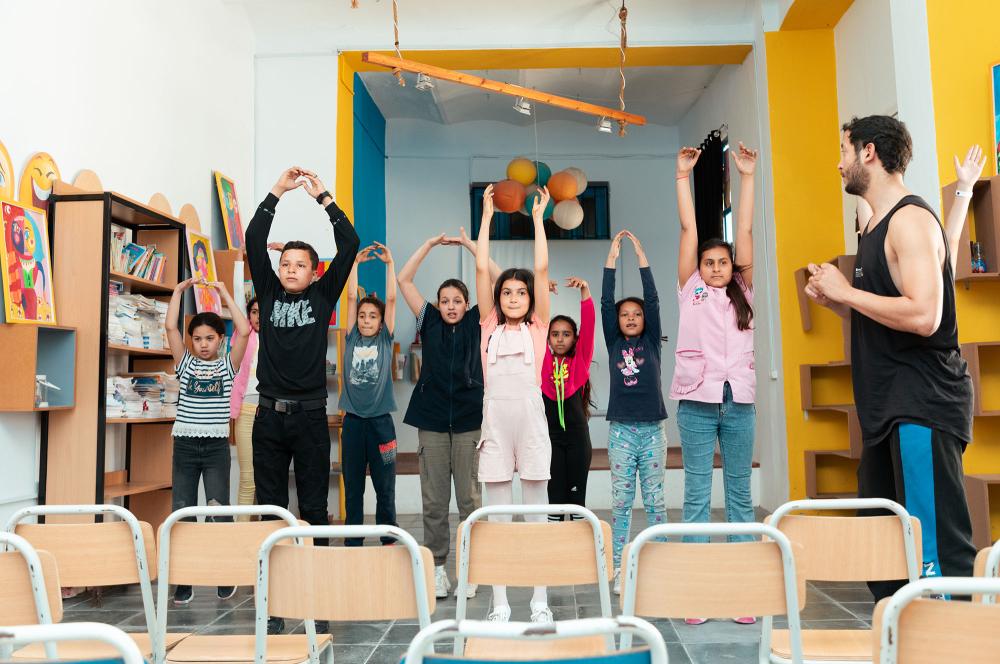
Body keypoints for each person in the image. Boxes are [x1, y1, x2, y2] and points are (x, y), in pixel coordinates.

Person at [805, 115, 977, 602]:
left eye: (844, 150)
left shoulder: (910, 220)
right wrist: (837, 300)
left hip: (921, 403)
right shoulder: (874, 225)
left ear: (868, 153)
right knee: (884, 557)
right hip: (884, 409)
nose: (838, 163)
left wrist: (848, 294)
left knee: (932, 556)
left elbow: (924, 315)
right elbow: (884, 316)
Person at [245, 167, 360, 633]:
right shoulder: (269, 292)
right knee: (271, 510)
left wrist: (323, 199)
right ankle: (274, 604)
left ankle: (318, 597)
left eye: (300, 265)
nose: (291, 270)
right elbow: (255, 237)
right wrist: (277, 192)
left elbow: (349, 244)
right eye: (286, 264)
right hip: (268, 418)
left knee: (314, 509)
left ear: (315, 272)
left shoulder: (323, 295)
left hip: (312, 418)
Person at [671, 142, 759, 625]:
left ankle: (744, 591)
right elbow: (689, 227)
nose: (717, 266)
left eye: (724, 261)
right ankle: (700, 592)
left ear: (734, 268)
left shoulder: (743, 291)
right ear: (699, 269)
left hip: (739, 404)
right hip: (697, 404)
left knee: (741, 496)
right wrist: (682, 175)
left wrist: (745, 177)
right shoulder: (692, 291)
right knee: (698, 496)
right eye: (709, 262)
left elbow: (742, 228)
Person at [396, 228, 502, 599]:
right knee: (435, 500)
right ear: (437, 305)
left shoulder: (479, 321)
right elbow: (403, 279)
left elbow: (501, 279)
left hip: (472, 420)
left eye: (458, 300)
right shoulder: (430, 322)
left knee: (470, 500)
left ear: (468, 303)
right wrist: (427, 243)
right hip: (433, 421)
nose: (452, 306)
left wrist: (473, 247)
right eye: (445, 301)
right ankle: (438, 569)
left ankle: (472, 569)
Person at [476, 184, 553, 623]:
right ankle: (501, 603)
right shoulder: (489, 326)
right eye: (507, 292)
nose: (513, 297)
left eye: (520, 293)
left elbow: (541, 268)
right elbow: (481, 270)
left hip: (531, 424)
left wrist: (539, 220)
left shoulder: (538, 327)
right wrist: (487, 217)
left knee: (537, 518)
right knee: (499, 521)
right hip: (495, 428)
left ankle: (539, 601)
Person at [165, 277, 250, 605]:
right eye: (197, 338)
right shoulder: (184, 365)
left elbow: (244, 331)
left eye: (209, 338)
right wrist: (177, 292)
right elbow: (171, 328)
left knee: (219, 509)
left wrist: (224, 293)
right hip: (185, 446)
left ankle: (223, 574)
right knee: (182, 511)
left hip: (215, 447)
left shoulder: (228, 367)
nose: (202, 344)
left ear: (220, 340)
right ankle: (183, 579)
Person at [602, 229, 667, 594]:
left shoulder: (651, 343)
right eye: (624, 314)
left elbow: (654, 300)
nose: (630, 318)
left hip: (653, 430)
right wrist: (611, 259)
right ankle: (619, 565)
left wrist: (641, 257)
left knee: (656, 500)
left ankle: (659, 562)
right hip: (622, 431)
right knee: (622, 501)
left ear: (644, 320)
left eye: (636, 314)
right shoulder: (613, 342)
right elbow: (604, 299)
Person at [340, 242, 399, 546]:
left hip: (380, 425)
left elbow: (390, 297)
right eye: (362, 316)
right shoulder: (350, 338)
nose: (365, 320)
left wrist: (390, 264)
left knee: (384, 487)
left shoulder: (386, 341)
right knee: (353, 488)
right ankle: (353, 543)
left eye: (371, 317)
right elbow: (351, 296)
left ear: (380, 322)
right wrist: (354, 263)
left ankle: (388, 541)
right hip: (352, 425)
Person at [542, 277, 596, 518]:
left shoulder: (580, 362)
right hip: (550, 441)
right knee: (555, 499)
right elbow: (536, 322)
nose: (560, 338)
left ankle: (577, 551)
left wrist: (585, 291)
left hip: (578, 441)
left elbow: (590, 325)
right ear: (547, 338)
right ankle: (556, 551)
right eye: (555, 334)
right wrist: (541, 294)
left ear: (575, 338)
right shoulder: (542, 363)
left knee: (576, 502)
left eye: (566, 334)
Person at [229, 297, 260, 519]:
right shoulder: (243, 336)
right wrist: (239, 260)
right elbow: (239, 291)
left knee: (267, 478)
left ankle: (265, 534)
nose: (258, 317)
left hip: (270, 411)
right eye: (254, 312)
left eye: (262, 311)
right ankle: (242, 533)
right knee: (248, 478)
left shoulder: (279, 337)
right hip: (247, 410)